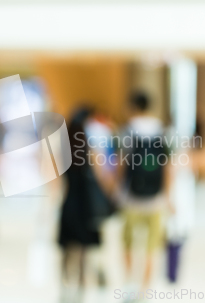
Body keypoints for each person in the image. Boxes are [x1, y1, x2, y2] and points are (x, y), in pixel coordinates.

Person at [58, 107, 116, 303]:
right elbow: (102, 175)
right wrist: (110, 194)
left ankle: (66, 286)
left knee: (68, 249)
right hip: (86, 204)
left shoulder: (64, 146)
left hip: (69, 202)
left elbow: (56, 179)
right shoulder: (90, 146)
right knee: (83, 250)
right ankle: (82, 288)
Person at [119, 92, 173, 292]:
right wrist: (168, 196)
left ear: (133, 107)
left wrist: (117, 189)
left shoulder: (128, 130)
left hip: (131, 197)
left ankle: (130, 283)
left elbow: (121, 163)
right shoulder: (162, 130)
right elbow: (168, 166)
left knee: (128, 242)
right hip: (156, 198)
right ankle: (145, 288)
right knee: (152, 245)